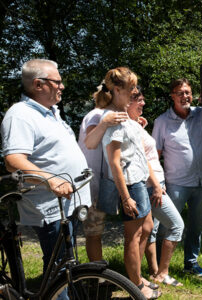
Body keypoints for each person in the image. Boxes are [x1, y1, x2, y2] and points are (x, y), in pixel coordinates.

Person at [0, 59, 91, 273]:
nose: (62, 86)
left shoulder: (50, 112)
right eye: (57, 82)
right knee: (58, 265)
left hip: (67, 202)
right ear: (38, 84)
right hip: (50, 205)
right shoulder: (20, 115)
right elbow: (13, 160)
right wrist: (51, 179)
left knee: (66, 261)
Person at [97, 67, 161, 299]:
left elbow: (136, 151)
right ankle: (135, 286)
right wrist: (125, 197)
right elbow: (115, 163)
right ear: (117, 90)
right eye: (131, 87)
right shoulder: (113, 121)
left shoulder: (125, 117)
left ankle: (137, 277)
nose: (135, 92)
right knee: (133, 237)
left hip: (140, 182)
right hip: (130, 186)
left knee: (146, 228)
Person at [152, 78, 202, 276]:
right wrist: (157, 184)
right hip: (176, 184)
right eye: (180, 93)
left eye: (187, 92)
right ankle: (160, 266)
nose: (185, 96)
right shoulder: (162, 122)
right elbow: (154, 156)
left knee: (196, 227)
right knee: (166, 226)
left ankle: (191, 264)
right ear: (172, 96)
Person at [127, 88, 185, 286]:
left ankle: (150, 272)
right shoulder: (128, 126)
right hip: (151, 185)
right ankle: (162, 273)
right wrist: (156, 187)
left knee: (149, 230)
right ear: (127, 103)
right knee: (177, 225)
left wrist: (141, 125)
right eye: (139, 101)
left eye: (143, 100)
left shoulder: (135, 125)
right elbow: (143, 160)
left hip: (154, 183)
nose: (143, 104)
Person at [78, 83, 128, 262]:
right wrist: (105, 122)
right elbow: (90, 141)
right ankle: (96, 277)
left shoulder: (101, 114)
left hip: (96, 182)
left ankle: (97, 274)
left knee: (95, 231)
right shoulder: (97, 115)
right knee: (93, 232)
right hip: (92, 184)